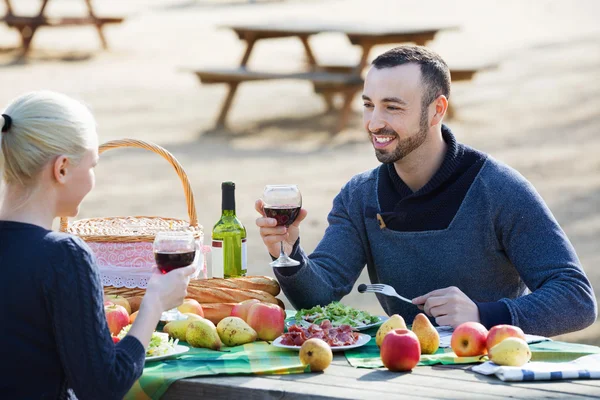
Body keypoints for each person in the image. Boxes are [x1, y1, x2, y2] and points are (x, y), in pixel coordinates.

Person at [255, 45, 597, 337]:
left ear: (437, 110)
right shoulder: (359, 195)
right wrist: (288, 253)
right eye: (368, 105)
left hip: (492, 375)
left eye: (393, 107)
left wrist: (483, 315)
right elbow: (319, 296)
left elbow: (576, 299)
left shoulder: (500, 190)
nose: (374, 122)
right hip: (399, 374)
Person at [0, 91, 195, 399]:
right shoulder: (63, 256)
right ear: (62, 168)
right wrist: (154, 302)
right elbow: (103, 387)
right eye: (91, 166)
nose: (92, 178)